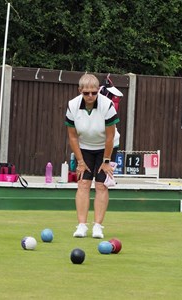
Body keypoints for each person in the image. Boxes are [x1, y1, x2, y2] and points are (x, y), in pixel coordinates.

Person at [65, 73, 120, 238]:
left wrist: (106, 161)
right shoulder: (72, 106)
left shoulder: (107, 105)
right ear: (80, 90)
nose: (90, 96)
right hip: (85, 147)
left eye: (94, 93)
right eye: (86, 92)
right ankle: (81, 226)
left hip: (107, 147)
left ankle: (98, 227)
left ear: (98, 91)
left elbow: (110, 137)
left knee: (101, 185)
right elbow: (73, 137)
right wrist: (80, 161)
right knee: (83, 183)